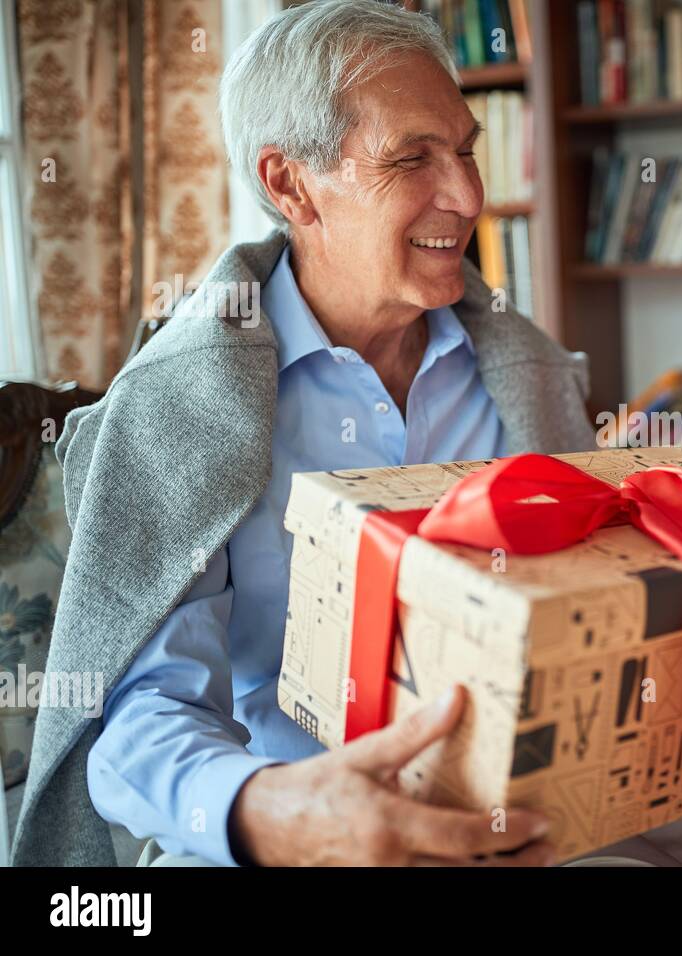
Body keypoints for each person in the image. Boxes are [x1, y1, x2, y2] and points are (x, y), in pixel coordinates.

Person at [13, 0, 593, 867]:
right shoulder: (174, 407)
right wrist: (269, 810)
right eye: (412, 158)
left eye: (466, 148)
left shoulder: (525, 369)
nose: (468, 196)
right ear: (290, 185)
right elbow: (139, 721)